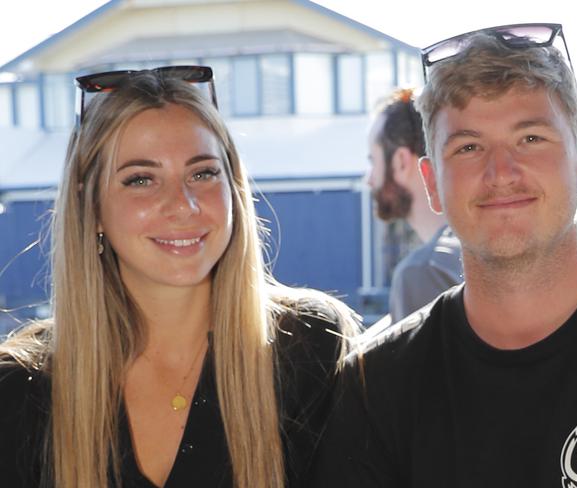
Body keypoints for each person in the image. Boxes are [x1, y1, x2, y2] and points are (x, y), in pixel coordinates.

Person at [308, 24, 577, 487]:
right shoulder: (375, 387)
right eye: (469, 147)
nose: (501, 172)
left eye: (531, 138)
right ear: (432, 183)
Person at [0, 66, 359, 488]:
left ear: (234, 188)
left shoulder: (311, 344)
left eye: (202, 173)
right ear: (91, 205)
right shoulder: (19, 388)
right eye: (141, 179)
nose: (183, 205)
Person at [367, 88, 462, 323]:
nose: (368, 179)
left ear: (400, 162)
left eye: (372, 160)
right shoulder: (476, 250)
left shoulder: (423, 272)